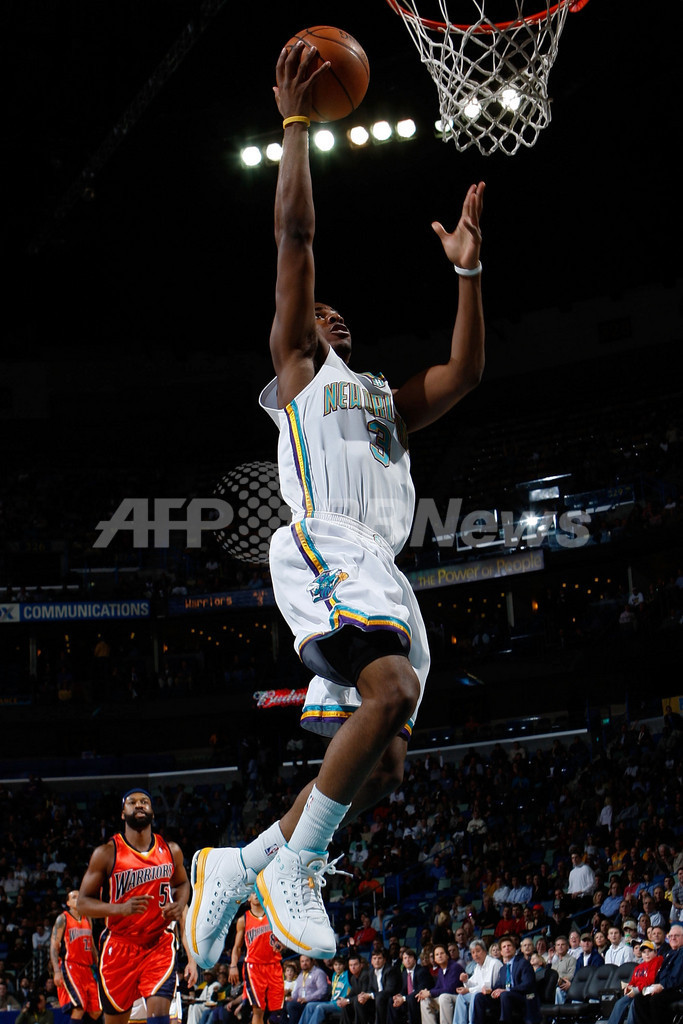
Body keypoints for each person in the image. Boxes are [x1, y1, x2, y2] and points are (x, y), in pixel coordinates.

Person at [185, 39, 486, 970]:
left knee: (382, 762)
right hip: (326, 545)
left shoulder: (384, 398)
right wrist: (295, 125)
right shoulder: (300, 370)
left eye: (335, 314)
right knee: (391, 691)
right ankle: (298, 866)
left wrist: (467, 273)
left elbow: (464, 374)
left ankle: (242, 864)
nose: (331, 314)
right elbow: (296, 240)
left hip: (383, 572)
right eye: (319, 312)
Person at [77, 788, 190, 1024]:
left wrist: (180, 903)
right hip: (120, 946)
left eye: (145, 801)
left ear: (152, 812)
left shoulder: (171, 850)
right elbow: (83, 903)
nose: (139, 805)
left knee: (160, 1016)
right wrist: (119, 909)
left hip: (159, 943)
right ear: (122, 813)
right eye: (132, 802)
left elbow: (182, 883)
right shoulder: (106, 853)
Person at [229, 893, 284, 1024]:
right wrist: (233, 965)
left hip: (274, 965)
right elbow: (237, 947)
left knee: (276, 1013)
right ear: (248, 898)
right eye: (253, 892)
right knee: (258, 1010)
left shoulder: (274, 916)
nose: (256, 895)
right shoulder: (243, 920)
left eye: (258, 891)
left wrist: (282, 944)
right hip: (254, 967)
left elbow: (286, 939)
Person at [50, 889, 101, 1022]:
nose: (78, 899)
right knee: (78, 1007)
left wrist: (100, 966)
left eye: (79, 896)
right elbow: (54, 947)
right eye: (74, 897)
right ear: (68, 903)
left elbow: (92, 947)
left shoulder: (87, 918)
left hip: (87, 968)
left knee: (96, 1011)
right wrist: (56, 971)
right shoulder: (62, 919)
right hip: (71, 966)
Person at [470, 935, 540, 1024]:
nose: (507, 948)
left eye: (509, 946)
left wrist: (507, 990)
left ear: (514, 949)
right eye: (504, 947)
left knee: (504, 995)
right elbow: (499, 985)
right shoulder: (503, 969)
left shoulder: (523, 963)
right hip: (506, 998)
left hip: (522, 997)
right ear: (501, 952)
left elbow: (527, 984)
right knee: (479, 997)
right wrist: (490, 991)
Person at [601, 940, 662, 1024]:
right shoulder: (639, 967)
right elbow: (633, 981)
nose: (647, 954)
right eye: (644, 952)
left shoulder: (657, 961)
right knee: (620, 1003)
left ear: (655, 952)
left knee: (634, 1004)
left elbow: (651, 980)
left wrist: (636, 989)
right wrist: (629, 987)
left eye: (649, 951)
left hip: (646, 991)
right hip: (635, 990)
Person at [299, 954, 350, 1024]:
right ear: (333, 966)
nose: (338, 967)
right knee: (309, 1005)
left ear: (344, 966)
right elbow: (323, 966)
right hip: (332, 1002)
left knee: (320, 1007)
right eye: (336, 965)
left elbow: (351, 960)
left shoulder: (348, 974)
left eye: (340, 965)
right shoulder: (333, 975)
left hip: (341, 1004)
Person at [388, 948, 432, 1024]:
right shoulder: (404, 973)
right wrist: (399, 996)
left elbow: (420, 990)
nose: (407, 960)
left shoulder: (421, 971)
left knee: (411, 999)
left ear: (415, 960)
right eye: (405, 958)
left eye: (410, 957)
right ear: (402, 962)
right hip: (409, 999)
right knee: (391, 1000)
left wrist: (404, 998)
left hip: (419, 999)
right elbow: (404, 989)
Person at [283, 956, 329, 1024]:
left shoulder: (318, 973)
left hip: (313, 1002)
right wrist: (292, 998)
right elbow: (296, 990)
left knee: (291, 1006)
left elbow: (323, 991)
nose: (304, 963)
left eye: (307, 961)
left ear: (312, 961)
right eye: (302, 961)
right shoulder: (301, 975)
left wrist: (307, 998)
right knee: (283, 1004)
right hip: (301, 1002)